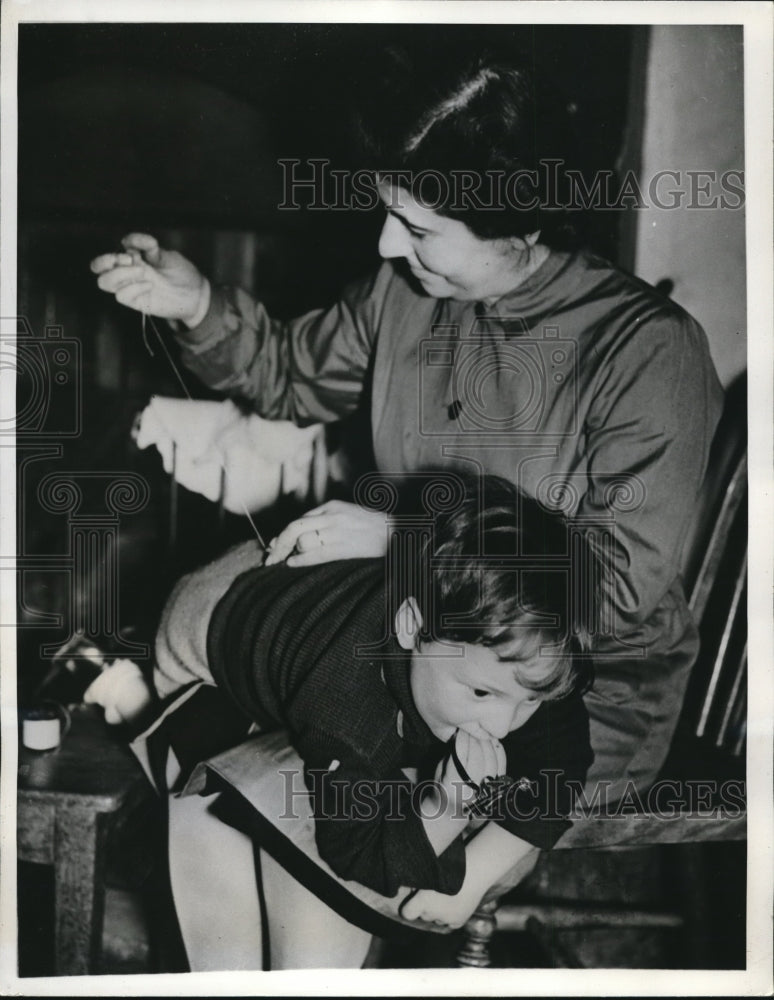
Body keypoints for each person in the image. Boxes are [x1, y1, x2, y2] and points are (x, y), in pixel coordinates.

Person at [90, 49, 723, 843]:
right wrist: (198, 305)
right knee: (239, 760)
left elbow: (615, 589)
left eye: (419, 228)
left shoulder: (647, 349)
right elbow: (291, 374)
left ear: (519, 224)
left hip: (565, 704)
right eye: (389, 214)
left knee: (300, 803)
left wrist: (407, 541)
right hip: (413, 660)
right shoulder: (405, 293)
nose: (388, 245)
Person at [88, 473, 596, 969]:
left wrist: (478, 873)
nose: (504, 725)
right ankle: (135, 699)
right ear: (411, 628)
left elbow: (566, 758)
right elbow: (354, 851)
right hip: (209, 624)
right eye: (481, 693)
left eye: (529, 701)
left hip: (318, 597)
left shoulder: (521, 658)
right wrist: (447, 808)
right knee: (204, 776)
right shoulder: (345, 702)